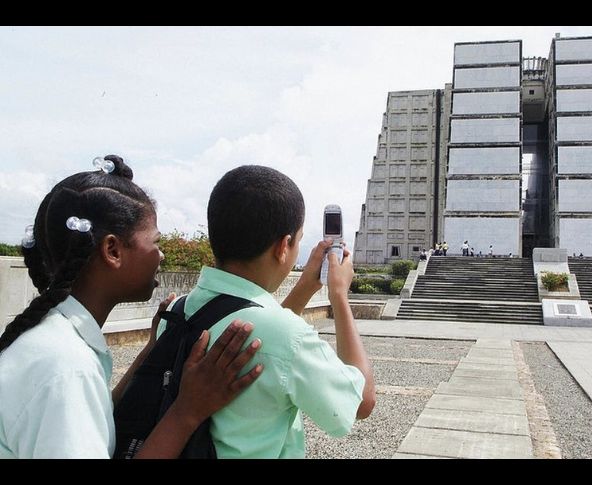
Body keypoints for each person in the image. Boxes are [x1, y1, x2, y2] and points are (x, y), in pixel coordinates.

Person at [0, 155, 263, 458]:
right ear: (112, 250)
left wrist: (151, 350)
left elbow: (92, 423)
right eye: (155, 242)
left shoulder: (54, 339)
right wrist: (188, 411)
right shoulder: (66, 368)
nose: (161, 256)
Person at [155, 165, 375, 458]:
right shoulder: (287, 336)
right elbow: (361, 402)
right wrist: (339, 296)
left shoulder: (175, 310)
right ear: (284, 247)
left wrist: (305, 289)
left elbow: (262, 323)